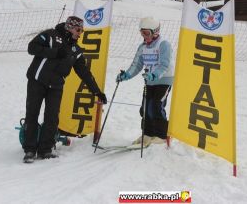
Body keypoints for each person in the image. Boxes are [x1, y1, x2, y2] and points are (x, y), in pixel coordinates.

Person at [23, 16, 107, 163]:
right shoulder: (50, 35)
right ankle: (29, 149)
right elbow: (32, 48)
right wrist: (54, 52)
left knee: (52, 117)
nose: (80, 33)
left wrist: (97, 91)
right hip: (37, 80)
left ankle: (45, 150)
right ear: (69, 27)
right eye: (78, 29)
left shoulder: (76, 49)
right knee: (32, 113)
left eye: (82, 30)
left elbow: (84, 73)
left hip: (56, 85)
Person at [116, 17, 174, 147]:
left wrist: (154, 75)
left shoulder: (164, 44)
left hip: (164, 80)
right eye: (142, 33)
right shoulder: (142, 47)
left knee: (156, 106)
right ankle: (147, 134)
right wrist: (126, 75)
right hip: (150, 80)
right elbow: (137, 65)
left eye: (146, 33)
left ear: (155, 32)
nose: (144, 36)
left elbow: (164, 65)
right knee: (145, 108)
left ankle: (161, 135)